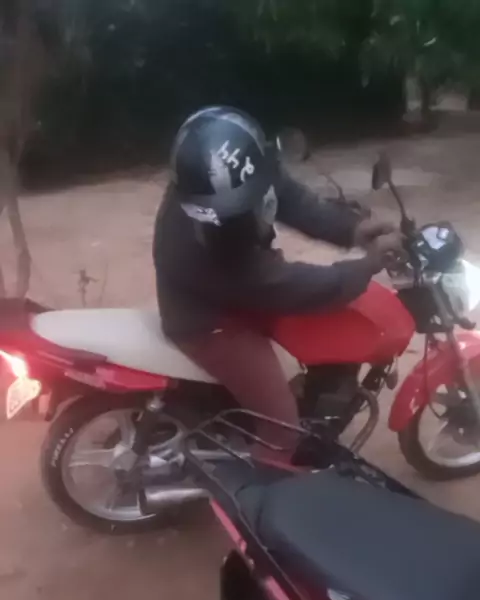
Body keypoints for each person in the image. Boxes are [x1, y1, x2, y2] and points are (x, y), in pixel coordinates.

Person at [153, 106, 400, 458]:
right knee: (282, 429)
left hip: (233, 295)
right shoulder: (198, 238)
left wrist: (353, 229)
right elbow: (280, 284)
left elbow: (291, 199)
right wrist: (364, 269)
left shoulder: (240, 178)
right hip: (209, 322)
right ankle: (267, 485)